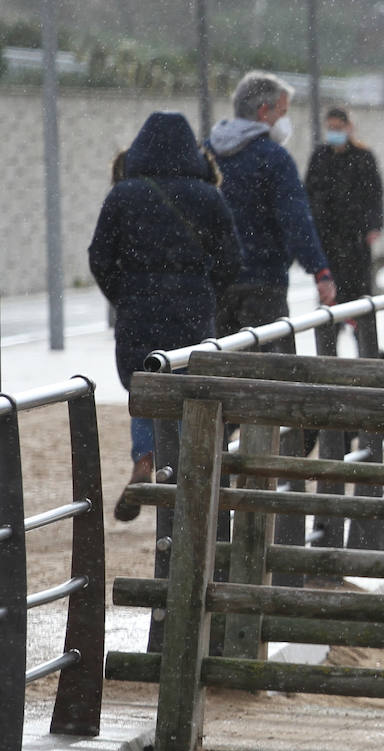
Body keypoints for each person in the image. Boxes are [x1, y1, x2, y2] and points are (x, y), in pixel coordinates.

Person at [89, 111, 242, 521]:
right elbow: (231, 259)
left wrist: (124, 294)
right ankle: (183, 474)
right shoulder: (208, 196)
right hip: (191, 309)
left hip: (138, 308)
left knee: (146, 386)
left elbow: (99, 256)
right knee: (188, 390)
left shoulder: (123, 195)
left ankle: (146, 459)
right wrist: (205, 291)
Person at [207, 71, 334, 343]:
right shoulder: (274, 158)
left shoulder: (206, 153)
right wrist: (319, 270)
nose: (285, 121)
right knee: (270, 362)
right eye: (283, 112)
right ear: (264, 111)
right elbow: (295, 217)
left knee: (220, 362)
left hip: (216, 282)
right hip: (264, 281)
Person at [305, 107, 384, 306]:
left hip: (356, 236)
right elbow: (310, 192)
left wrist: (374, 225)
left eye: (338, 127)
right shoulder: (320, 156)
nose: (334, 132)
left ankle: (359, 325)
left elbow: (375, 194)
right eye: (330, 128)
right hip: (328, 236)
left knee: (359, 293)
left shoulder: (363, 157)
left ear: (349, 127)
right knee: (331, 295)